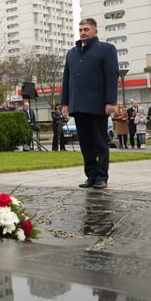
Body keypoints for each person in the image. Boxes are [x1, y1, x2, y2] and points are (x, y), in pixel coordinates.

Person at [60, 17, 118, 189]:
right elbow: (67, 79)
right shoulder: (72, 53)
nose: (83, 33)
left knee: (100, 143)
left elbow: (112, 76)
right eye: (80, 30)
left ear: (95, 31)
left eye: (86, 29)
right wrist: (65, 103)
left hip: (97, 105)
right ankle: (91, 176)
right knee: (85, 144)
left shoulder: (106, 49)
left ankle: (101, 177)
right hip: (78, 105)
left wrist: (110, 101)